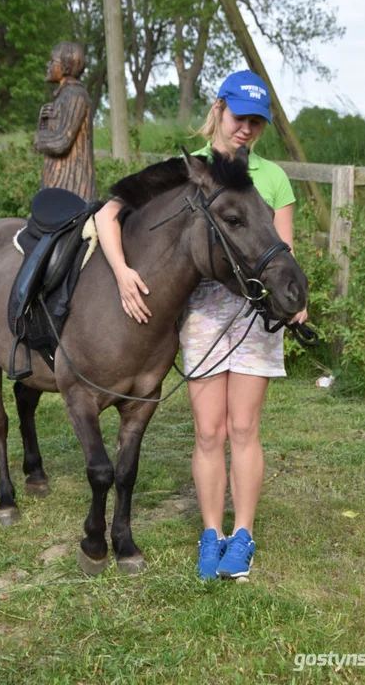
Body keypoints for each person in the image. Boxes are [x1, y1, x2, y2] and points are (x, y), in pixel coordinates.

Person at [94, 70, 307, 580]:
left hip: (253, 319)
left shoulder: (271, 177)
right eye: (240, 117)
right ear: (219, 108)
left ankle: (244, 536)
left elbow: (283, 250)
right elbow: (108, 213)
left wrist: (295, 299)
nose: (247, 129)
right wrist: (124, 274)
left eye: (257, 122)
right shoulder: (184, 171)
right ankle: (211, 533)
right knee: (209, 431)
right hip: (204, 316)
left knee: (243, 429)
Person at [34, 41, 96, 202]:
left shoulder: (75, 95)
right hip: (57, 183)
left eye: (52, 61)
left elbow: (61, 141)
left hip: (71, 185)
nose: (48, 65)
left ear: (66, 68)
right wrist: (44, 122)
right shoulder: (64, 96)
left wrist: (39, 140)